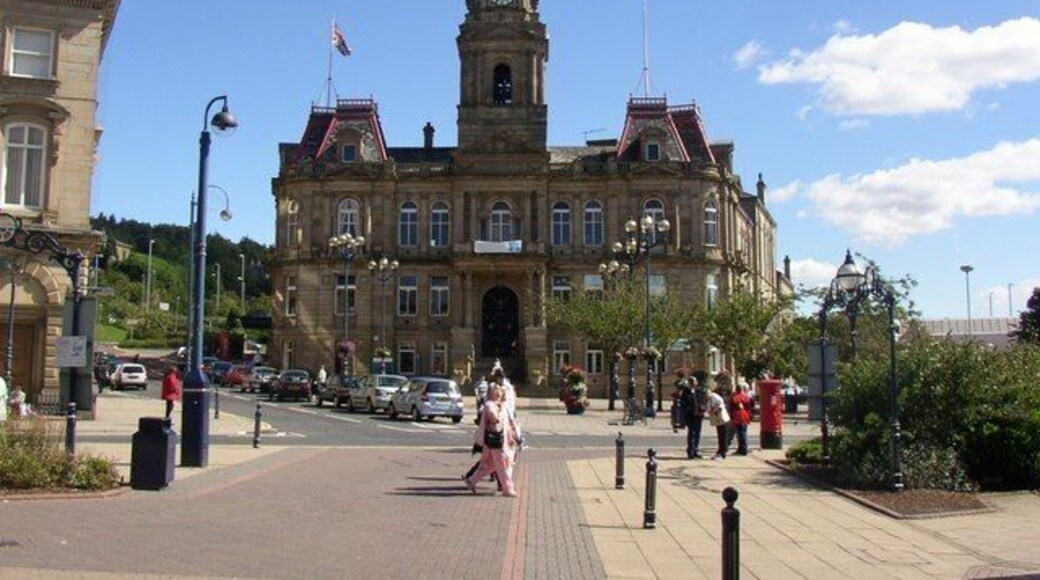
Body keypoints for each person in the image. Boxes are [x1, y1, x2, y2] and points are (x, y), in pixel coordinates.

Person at [464, 384, 517, 497]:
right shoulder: (489, 405)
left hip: (503, 440)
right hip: (495, 441)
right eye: (495, 391)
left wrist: (513, 435)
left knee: (491, 464)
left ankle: (472, 480)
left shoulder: (503, 405)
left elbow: (509, 423)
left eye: (500, 391)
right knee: (503, 465)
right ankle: (507, 489)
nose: (498, 393)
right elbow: (495, 419)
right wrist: (501, 408)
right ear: (490, 393)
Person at [679, 374, 706, 459]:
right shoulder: (685, 392)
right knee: (692, 433)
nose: (694, 384)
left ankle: (696, 450)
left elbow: (702, 401)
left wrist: (702, 408)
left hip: (699, 416)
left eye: (695, 382)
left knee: (697, 433)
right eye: (692, 383)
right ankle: (690, 451)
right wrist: (692, 411)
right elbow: (684, 405)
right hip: (691, 416)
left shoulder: (698, 391)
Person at [707, 381, 731, 460]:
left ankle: (722, 453)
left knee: (723, 437)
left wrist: (713, 410)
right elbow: (708, 408)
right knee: (720, 437)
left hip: (723, 419)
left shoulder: (715, 397)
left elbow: (720, 405)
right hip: (718, 420)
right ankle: (719, 452)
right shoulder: (709, 399)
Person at [729, 382, 754, 456]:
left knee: (740, 434)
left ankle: (742, 449)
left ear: (736, 389)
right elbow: (750, 407)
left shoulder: (734, 397)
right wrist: (749, 416)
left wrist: (731, 418)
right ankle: (742, 448)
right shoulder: (746, 397)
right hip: (745, 416)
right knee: (744, 433)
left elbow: (731, 408)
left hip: (737, 416)